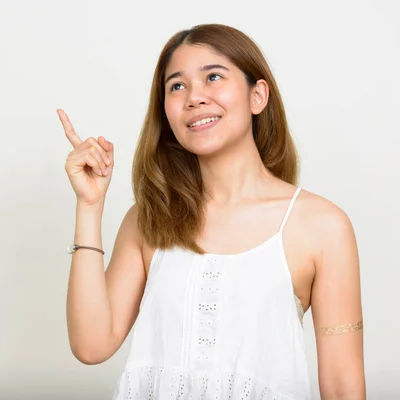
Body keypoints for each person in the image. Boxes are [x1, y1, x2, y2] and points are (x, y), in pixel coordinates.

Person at [58, 24, 365, 399]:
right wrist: (90, 207)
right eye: (176, 86)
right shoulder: (148, 219)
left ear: (258, 96)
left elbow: (343, 388)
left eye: (213, 77)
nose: (194, 98)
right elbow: (91, 345)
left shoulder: (322, 226)